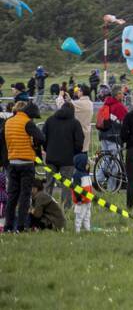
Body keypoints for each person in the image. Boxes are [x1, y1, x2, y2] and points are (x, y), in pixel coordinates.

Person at [2, 101, 44, 233]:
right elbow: (41, 138)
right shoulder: (28, 123)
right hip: (26, 164)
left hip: (12, 163)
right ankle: (21, 226)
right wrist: (34, 142)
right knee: (25, 196)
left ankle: (8, 226)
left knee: (12, 196)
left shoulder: (8, 122)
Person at [42, 98, 84, 210]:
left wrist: (47, 149)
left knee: (49, 184)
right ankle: (65, 208)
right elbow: (79, 141)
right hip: (67, 159)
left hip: (51, 157)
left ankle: (45, 208)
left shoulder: (50, 120)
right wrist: (75, 152)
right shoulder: (75, 123)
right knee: (66, 184)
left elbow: (43, 137)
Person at [57, 85, 94, 154]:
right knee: (83, 156)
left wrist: (60, 97)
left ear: (82, 92)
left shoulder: (79, 103)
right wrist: (69, 100)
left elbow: (62, 107)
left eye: (79, 90)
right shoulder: (90, 103)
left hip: (77, 135)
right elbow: (75, 106)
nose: (77, 92)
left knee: (74, 158)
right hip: (86, 133)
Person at [96, 88, 128, 154]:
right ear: (117, 95)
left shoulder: (106, 104)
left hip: (103, 135)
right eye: (121, 93)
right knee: (115, 160)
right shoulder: (120, 106)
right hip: (114, 136)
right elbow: (127, 122)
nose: (123, 95)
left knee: (106, 159)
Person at [71, 153, 93, 233]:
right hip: (81, 200)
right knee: (79, 216)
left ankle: (87, 229)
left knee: (87, 215)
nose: (88, 163)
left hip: (88, 200)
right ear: (82, 163)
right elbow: (76, 188)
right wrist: (79, 199)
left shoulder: (86, 173)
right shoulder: (77, 175)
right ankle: (77, 230)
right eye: (87, 162)